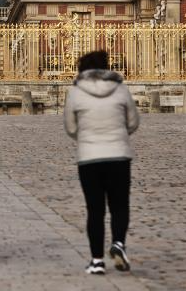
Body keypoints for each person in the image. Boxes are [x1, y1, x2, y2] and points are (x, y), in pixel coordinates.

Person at [64, 50, 139, 275]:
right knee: (119, 205)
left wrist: (86, 138)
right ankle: (118, 243)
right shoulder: (121, 89)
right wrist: (119, 135)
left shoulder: (75, 92)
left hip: (89, 157)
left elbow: (70, 127)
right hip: (118, 156)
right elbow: (133, 122)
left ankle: (97, 261)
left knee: (94, 210)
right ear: (106, 67)